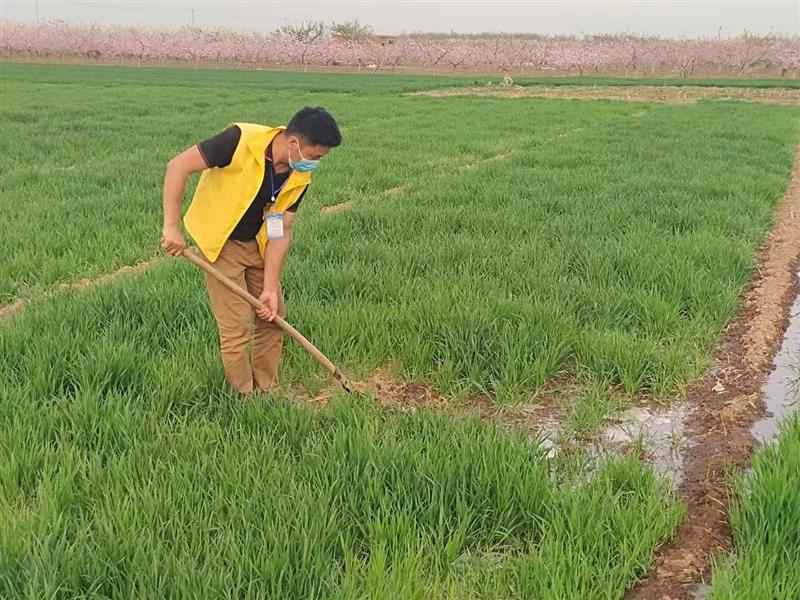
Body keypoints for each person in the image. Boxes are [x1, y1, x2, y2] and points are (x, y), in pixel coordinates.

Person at [161, 107, 342, 394]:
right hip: (221, 244)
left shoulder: (298, 177)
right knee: (236, 327)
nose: (315, 164)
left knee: (273, 316)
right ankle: (244, 397)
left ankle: (267, 389)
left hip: (257, 244)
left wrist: (270, 287)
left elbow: (279, 230)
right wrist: (171, 227)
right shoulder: (239, 140)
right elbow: (178, 166)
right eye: (315, 156)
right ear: (294, 143)